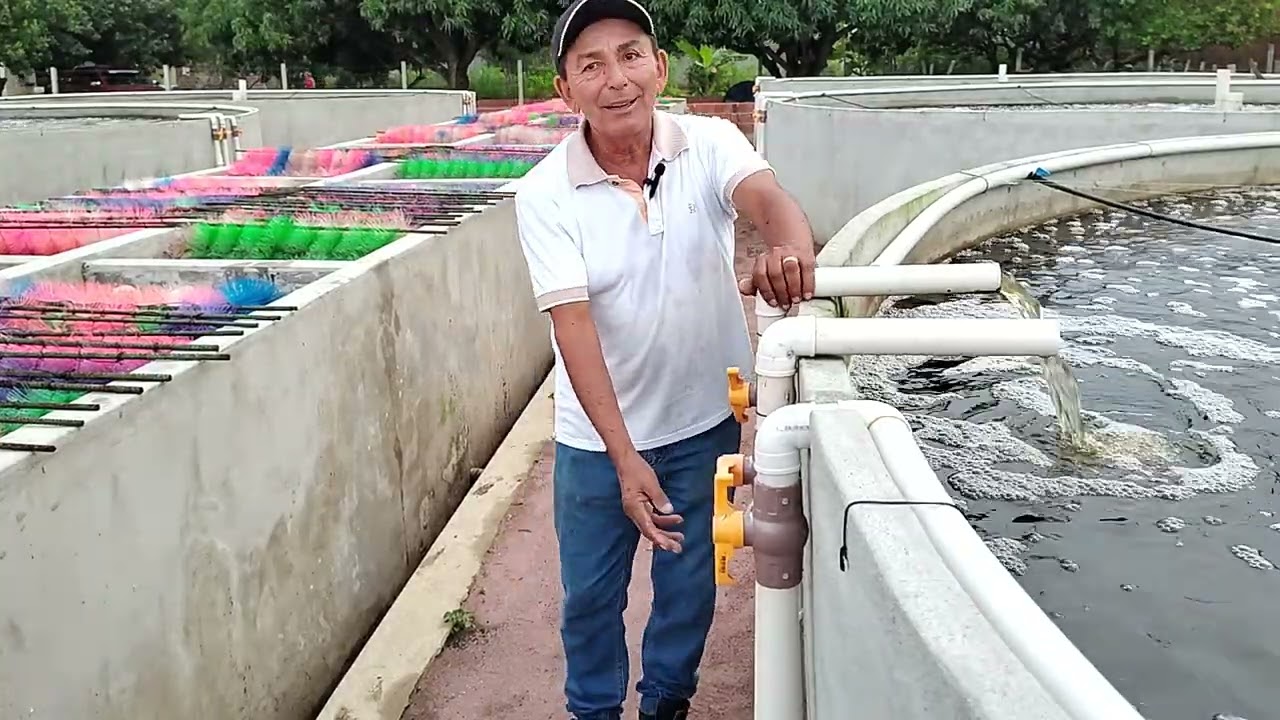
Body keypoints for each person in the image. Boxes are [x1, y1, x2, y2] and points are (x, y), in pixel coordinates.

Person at [513, 0, 817, 718]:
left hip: (701, 426)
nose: (615, 79)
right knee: (590, 596)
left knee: (688, 588)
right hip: (595, 445)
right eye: (590, 64)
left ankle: (666, 704)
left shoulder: (707, 144)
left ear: (659, 66)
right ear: (565, 89)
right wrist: (623, 459)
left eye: (629, 55)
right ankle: (594, 711)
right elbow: (574, 326)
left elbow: (767, 200)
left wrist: (792, 252)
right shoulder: (545, 193)